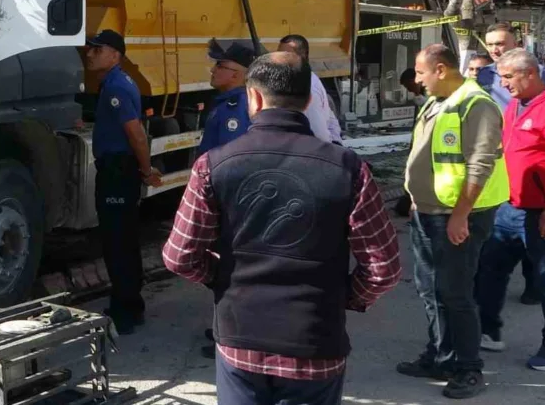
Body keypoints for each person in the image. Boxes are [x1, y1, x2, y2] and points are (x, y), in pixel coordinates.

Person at [163, 51, 401, 405]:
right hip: (315, 341)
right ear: (308, 100)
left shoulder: (212, 165)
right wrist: (345, 296)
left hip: (240, 337)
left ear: (253, 97)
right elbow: (384, 269)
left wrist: (221, 276)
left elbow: (180, 257)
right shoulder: (348, 168)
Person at [398, 44, 508, 400]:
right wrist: (415, 199)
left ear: (441, 69)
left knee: (456, 294)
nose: (417, 80)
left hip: (458, 217)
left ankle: (468, 368)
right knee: (430, 290)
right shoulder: (436, 101)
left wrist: (460, 215)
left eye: (420, 72)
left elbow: (480, 164)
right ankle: (440, 355)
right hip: (429, 212)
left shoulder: (476, 105)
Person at [475, 48, 545, 372]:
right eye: (501, 77)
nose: (503, 83)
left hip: (541, 210)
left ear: (530, 74)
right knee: (490, 269)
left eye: (508, 77)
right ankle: (488, 330)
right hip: (511, 206)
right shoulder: (516, 107)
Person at [85, 29, 162, 334]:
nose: (89, 54)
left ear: (115, 55)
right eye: (89, 49)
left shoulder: (116, 86)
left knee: (118, 241)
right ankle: (128, 302)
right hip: (119, 168)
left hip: (119, 170)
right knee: (122, 239)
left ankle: (126, 310)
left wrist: (145, 171)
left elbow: (136, 134)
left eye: (97, 49)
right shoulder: (118, 81)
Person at [476, 22, 545, 306]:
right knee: (493, 223)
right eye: (491, 44)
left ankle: (534, 282)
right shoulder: (483, 74)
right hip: (492, 152)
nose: (495, 49)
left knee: (525, 223)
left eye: (501, 43)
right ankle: (486, 284)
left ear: (516, 43)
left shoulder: (534, 73)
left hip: (522, 152)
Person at [196, 39, 255, 358]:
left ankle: (234, 336)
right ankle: (226, 326)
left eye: (221, 66)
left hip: (231, 203)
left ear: (237, 74)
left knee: (232, 269)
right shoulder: (226, 102)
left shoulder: (238, 107)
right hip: (227, 201)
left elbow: (230, 163)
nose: (214, 69)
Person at [278, 34, 343, 143]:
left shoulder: (307, 87)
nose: (279, 59)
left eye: (286, 55)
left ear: (302, 56)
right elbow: (329, 116)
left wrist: (330, 148)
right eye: (278, 53)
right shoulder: (308, 78)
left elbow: (318, 132)